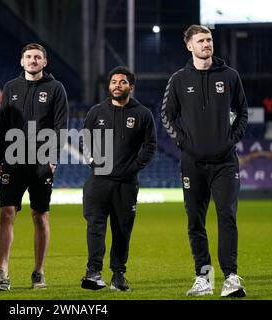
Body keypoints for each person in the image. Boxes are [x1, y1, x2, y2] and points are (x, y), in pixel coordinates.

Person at [161, 25, 248, 297]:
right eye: (201, 40)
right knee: (195, 221)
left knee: (227, 216)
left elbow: (243, 113)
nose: (207, 44)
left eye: (209, 39)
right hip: (192, 163)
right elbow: (166, 115)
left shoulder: (230, 76)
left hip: (225, 162)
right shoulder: (178, 79)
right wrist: (184, 142)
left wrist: (230, 140)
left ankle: (231, 278)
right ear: (189, 46)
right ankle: (204, 278)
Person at [0, 43, 69, 291]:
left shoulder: (55, 88)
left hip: (41, 162)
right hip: (13, 159)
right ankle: (2, 271)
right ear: (22, 62)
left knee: (40, 216)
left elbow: (61, 126)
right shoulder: (11, 88)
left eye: (37, 57)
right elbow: (3, 125)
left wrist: (53, 157)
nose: (32, 60)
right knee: (5, 212)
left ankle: (38, 272)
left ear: (44, 62)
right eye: (28, 57)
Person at [81, 66, 156, 291]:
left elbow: (150, 145)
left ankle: (118, 275)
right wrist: (92, 161)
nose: (117, 85)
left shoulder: (143, 114)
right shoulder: (96, 112)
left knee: (122, 230)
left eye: (122, 82)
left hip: (126, 185)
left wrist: (134, 167)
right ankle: (93, 272)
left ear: (130, 87)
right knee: (95, 227)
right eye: (113, 82)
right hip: (98, 183)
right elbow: (85, 140)